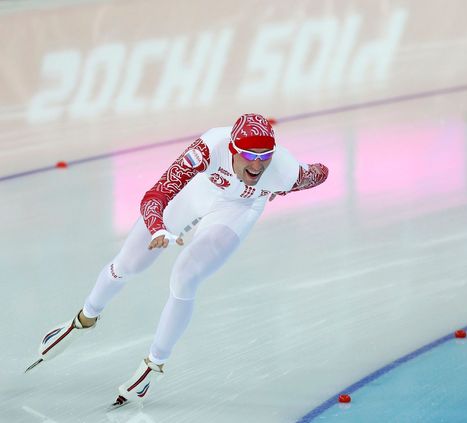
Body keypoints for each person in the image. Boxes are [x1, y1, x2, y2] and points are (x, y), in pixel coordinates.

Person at [27, 113, 329, 409]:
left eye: (265, 155)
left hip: (238, 210)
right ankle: (84, 318)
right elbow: (156, 194)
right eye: (249, 154)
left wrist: (283, 189)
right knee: (129, 264)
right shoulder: (208, 148)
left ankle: (153, 365)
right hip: (195, 193)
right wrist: (157, 226)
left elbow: (320, 172)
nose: (258, 164)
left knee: (185, 276)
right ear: (233, 149)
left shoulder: (284, 169)